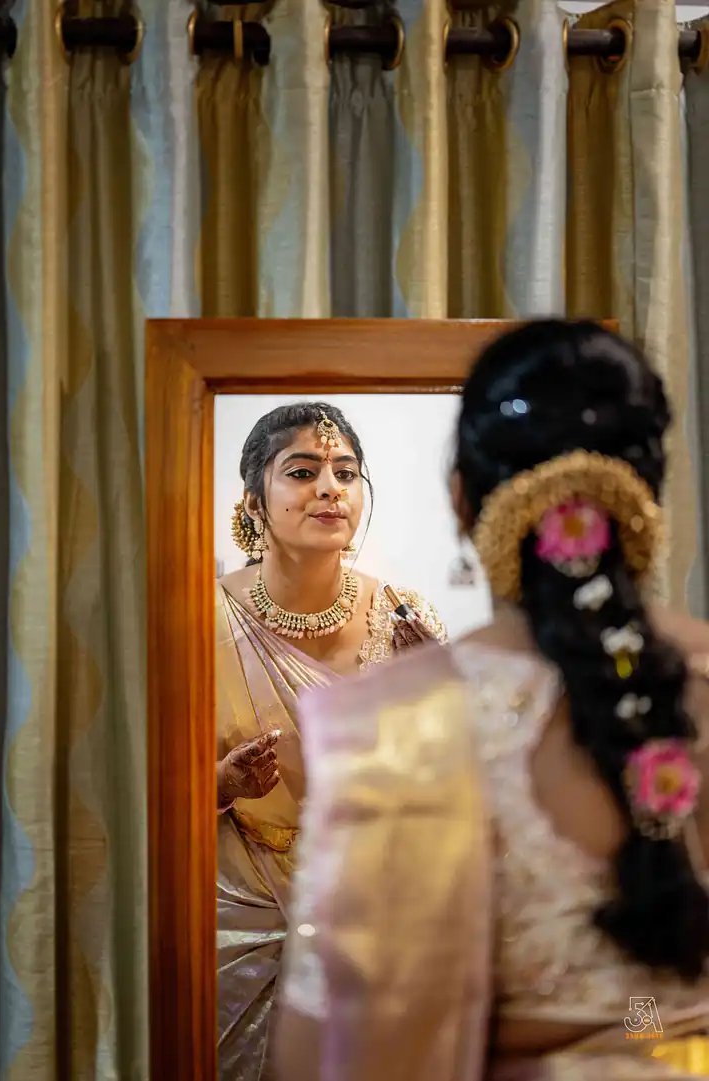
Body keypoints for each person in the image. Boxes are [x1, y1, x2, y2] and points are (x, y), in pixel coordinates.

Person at [276, 322, 709, 1081]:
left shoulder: (398, 724)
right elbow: (649, 1018)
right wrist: (652, 1033)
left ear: (461, 499)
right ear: (648, 495)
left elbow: (325, 1050)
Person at [215, 401, 445, 1080]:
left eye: (345, 472)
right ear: (253, 501)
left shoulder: (402, 617)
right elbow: (140, 785)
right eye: (302, 471)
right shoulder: (199, 617)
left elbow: (451, 786)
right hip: (236, 909)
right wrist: (223, 782)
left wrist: (432, 695)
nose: (329, 488)